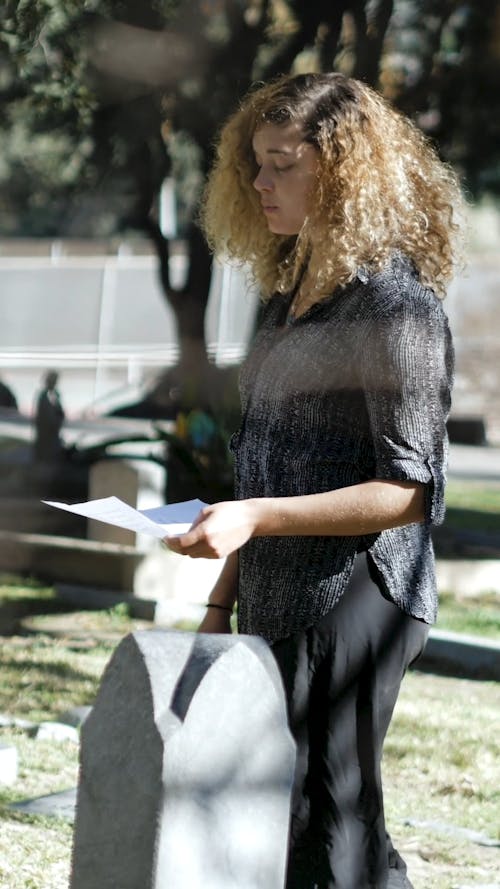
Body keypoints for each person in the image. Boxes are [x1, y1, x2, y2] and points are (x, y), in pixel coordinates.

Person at [166, 72, 465, 889]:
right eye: (254, 164)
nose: (258, 182)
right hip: (272, 595)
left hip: (358, 596)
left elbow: (409, 491)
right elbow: (254, 470)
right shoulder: (287, 296)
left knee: (330, 822)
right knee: (295, 820)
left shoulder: (396, 308)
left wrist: (253, 516)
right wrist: (220, 601)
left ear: (341, 172)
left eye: (281, 164)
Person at [34, 369, 66, 462]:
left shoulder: (55, 395)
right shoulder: (44, 396)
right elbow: (49, 419)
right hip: (46, 437)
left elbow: (59, 414)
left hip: (52, 437)